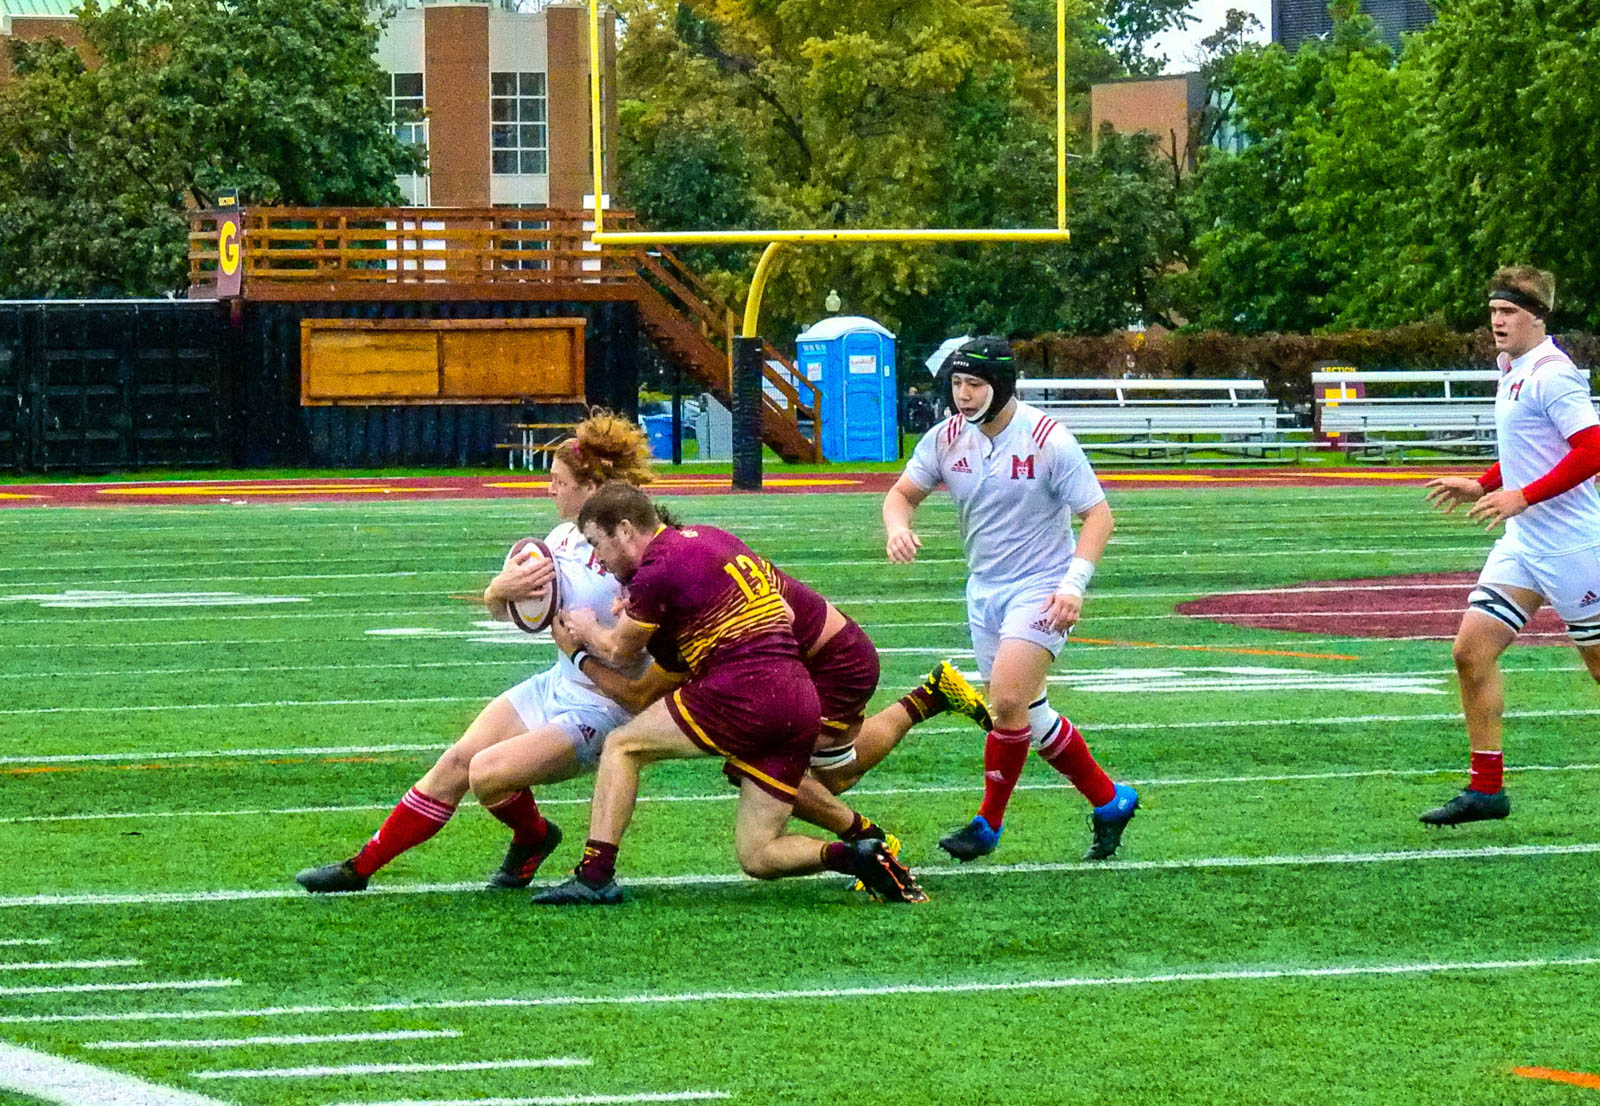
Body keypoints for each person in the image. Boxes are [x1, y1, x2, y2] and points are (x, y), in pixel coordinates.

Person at [293, 414, 657, 893]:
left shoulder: (634, 553)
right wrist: (498, 591)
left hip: (604, 705)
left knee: (487, 774)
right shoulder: (561, 538)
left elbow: (635, 649)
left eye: (558, 481)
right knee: (458, 760)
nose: (549, 489)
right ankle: (359, 869)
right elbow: (512, 613)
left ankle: (533, 836)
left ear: (590, 487)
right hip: (561, 680)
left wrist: (587, 640)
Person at [532, 482, 927, 905]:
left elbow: (617, 650)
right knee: (757, 854)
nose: (598, 559)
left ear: (625, 530)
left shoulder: (656, 570)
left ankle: (595, 875)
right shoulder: (713, 538)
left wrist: (582, 636)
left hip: (744, 687)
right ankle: (859, 855)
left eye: (597, 544)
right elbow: (784, 610)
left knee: (623, 746)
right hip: (798, 693)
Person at [882, 335, 1140, 862]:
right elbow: (901, 494)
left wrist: (1073, 585)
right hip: (984, 590)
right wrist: (897, 528)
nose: (963, 395)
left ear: (1001, 386)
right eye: (957, 383)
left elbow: (1099, 516)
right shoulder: (945, 438)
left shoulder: (1048, 438)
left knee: (1004, 703)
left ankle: (988, 824)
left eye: (974, 384)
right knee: (1025, 712)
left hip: (1042, 588)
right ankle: (1110, 800)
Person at [1419, 267, 1600, 825]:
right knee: (1470, 653)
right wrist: (1484, 484)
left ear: (1538, 316)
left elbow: (1592, 448)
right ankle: (1486, 791)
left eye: (1510, 312)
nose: (1497, 321)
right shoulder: (1512, 368)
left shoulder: (1552, 374)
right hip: (1523, 545)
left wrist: (1524, 495)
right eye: (1494, 311)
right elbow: (1531, 448)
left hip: (1574, 548)